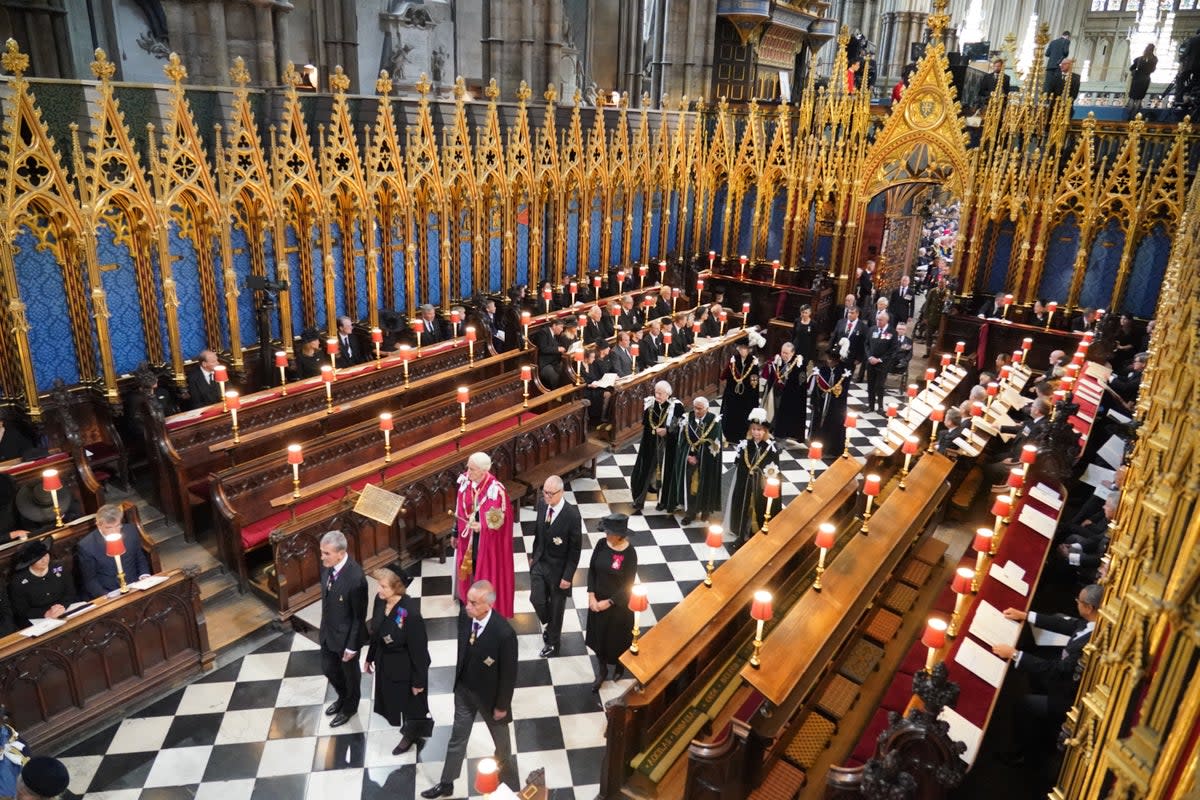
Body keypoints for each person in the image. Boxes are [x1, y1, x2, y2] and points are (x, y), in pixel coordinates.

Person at [421, 580, 518, 798]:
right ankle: (446, 783)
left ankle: (505, 779)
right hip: (464, 691)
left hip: (491, 699)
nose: (468, 606)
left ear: (488, 605)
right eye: (468, 601)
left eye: (473, 603)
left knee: (502, 745)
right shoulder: (465, 618)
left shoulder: (503, 633)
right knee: (457, 738)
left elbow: (509, 674)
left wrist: (502, 705)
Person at [991, 584, 1102, 767]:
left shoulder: (1087, 643)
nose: (1076, 603)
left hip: (1071, 698)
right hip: (1065, 679)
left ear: (1089, 607)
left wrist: (1014, 654)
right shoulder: (1092, 622)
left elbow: (1057, 670)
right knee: (1034, 665)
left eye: (1079, 602)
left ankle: (1022, 754)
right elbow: (1067, 624)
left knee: (1024, 704)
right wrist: (1026, 616)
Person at [365, 565, 432, 754]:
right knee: (393, 700)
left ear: (397, 588)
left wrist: (418, 681)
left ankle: (410, 735)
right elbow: (376, 633)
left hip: (406, 668)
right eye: (379, 585)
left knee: (411, 705)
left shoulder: (410, 613)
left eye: (383, 586)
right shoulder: (380, 602)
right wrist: (370, 658)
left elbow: (420, 651)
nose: (379, 590)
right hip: (385, 663)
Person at [452, 452, 515, 618]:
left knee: (482, 572)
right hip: (466, 540)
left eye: (472, 469)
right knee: (467, 570)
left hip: (484, 543)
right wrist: (455, 532)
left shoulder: (495, 490)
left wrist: (483, 526)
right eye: (468, 467)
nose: (468, 471)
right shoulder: (466, 482)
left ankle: (482, 605)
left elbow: (498, 519)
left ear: (483, 471)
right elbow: (459, 507)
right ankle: (467, 599)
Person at [526, 475, 582, 658]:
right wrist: (533, 557)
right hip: (541, 562)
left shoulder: (572, 515)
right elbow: (538, 534)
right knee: (537, 599)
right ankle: (549, 624)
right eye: (545, 492)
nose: (547, 497)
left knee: (557, 607)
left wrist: (568, 576)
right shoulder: (542, 505)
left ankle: (552, 642)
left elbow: (575, 550)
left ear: (561, 492)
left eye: (551, 494)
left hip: (559, 569)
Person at [318, 529, 368, 728]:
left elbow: (359, 616)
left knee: (350, 676)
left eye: (326, 553)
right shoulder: (328, 569)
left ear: (340, 553)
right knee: (328, 669)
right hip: (328, 634)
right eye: (321, 552)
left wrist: (352, 646)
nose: (322, 557)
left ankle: (350, 707)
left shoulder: (355, 578)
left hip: (347, 639)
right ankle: (342, 697)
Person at [585, 514, 638, 692]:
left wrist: (609, 602)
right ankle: (601, 670)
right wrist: (591, 596)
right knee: (599, 638)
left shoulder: (630, 553)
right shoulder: (601, 545)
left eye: (610, 533)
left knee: (617, 640)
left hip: (618, 607)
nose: (606, 535)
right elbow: (592, 570)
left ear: (620, 535)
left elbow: (628, 585)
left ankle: (619, 666)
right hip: (597, 602)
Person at [661, 396, 723, 525]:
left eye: (700, 409)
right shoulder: (687, 418)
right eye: (695, 408)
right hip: (688, 459)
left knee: (704, 486)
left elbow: (714, 445)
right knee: (689, 487)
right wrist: (687, 456)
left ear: (707, 408)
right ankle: (690, 513)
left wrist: (698, 458)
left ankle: (705, 510)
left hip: (706, 462)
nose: (697, 411)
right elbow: (682, 440)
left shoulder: (714, 421)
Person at [726, 410, 780, 547]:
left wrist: (759, 474)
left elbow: (773, 470)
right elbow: (739, 464)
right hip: (745, 484)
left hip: (760, 487)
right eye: (754, 430)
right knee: (743, 508)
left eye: (760, 430)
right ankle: (741, 534)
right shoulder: (745, 445)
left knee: (759, 508)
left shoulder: (770, 448)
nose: (757, 433)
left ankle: (755, 533)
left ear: (765, 431)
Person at [630, 381, 685, 514]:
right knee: (646, 471)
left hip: (667, 445)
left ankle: (663, 501)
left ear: (668, 394)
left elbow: (677, 425)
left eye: (661, 393)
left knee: (665, 473)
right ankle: (639, 500)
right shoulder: (650, 403)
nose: (658, 396)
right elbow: (646, 424)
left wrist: (667, 431)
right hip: (650, 443)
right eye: (656, 393)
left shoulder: (676, 406)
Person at [77, 504, 151, 598]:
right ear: (99, 525)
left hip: (136, 585)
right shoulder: (87, 546)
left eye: (117, 526)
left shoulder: (130, 531)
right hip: (110, 591)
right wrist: (106, 596)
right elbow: (90, 580)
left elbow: (139, 558)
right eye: (109, 528)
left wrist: (144, 576)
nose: (115, 531)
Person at [9, 539, 74, 626]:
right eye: (39, 559)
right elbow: (21, 610)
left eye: (45, 555)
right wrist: (45, 613)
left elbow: (70, 593)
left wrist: (62, 607)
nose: (44, 560)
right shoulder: (18, 582)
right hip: (38, 621)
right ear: (30, 562)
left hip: (65, 611)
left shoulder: (59, 568)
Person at [809, 347, 853, 457]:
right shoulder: (822, 370)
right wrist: (815, 401)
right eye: (828, 359)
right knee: (819, 424)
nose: (829, 361)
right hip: (822, 403)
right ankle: (818, 445)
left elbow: (843, 390)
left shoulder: (843, 372)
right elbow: (817, 387)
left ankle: (833, 449)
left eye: (832, 359)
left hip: (835, 405)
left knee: (834, 424)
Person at [762, 341, 807, 441]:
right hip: (777, 392)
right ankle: (772, 429)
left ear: (792, 353)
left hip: (789, 397)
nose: (784, 355)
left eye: (786, 353)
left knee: (784, 418)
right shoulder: (778, 360)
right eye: (783, 352)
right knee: (774, 412)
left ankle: (781, 438)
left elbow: (801, 383)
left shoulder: (798, 364)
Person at [720, 339, 760, 443]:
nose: (742, 351)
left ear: (749, 350)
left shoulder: (753, 362)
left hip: (746, 395)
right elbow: (727, 376)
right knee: (731, 414)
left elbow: (754, 381)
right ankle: (729, 436)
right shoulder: (734, 360)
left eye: (745, 349)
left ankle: (742, 436)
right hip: (733, 393)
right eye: (741, 348)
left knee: (743, 416)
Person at [864, 311, 897, 413]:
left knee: (879, 385)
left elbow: (893, 349)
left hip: (883, 363)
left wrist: (880, 359)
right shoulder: (872, 329)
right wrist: (870, 357)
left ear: (886, 320)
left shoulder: (892, 332)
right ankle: (871, 405)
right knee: (870, 385)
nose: (878, 321)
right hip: (871, 362)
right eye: (877, 319)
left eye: (880, 320)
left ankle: (881, 406)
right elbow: (867, 344)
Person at [832, 305, 866, 380]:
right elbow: (834, 337)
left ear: (857, 314)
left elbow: (863, 344)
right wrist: (830, 352)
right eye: (848, 312)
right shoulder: (841, 322)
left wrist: (859, 358)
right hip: (837, 356)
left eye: (852, 313)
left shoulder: (862, 327)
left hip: (851, 358)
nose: (849, 314)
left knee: (846, 379)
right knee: (835, 377)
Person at [534, 318, 566, 388]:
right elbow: (543, 349)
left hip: (554, 363)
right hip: (545, 364)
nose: (562, 329)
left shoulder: (556, 335)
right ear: (554, 325)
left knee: (565, 372)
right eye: (561, 327)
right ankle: (556, 395)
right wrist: (558, 349)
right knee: (554, 377)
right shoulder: (543, 332)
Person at [1127, 44, 1157, 115]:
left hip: (1137, 79)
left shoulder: (1139, 59)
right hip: (1145, 80)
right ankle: (1134, 116)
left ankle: (1128, 117)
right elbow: (1153, 70)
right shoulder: (1154, 60)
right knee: (1139, 99)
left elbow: (1131, 68)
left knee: (1132, 98)